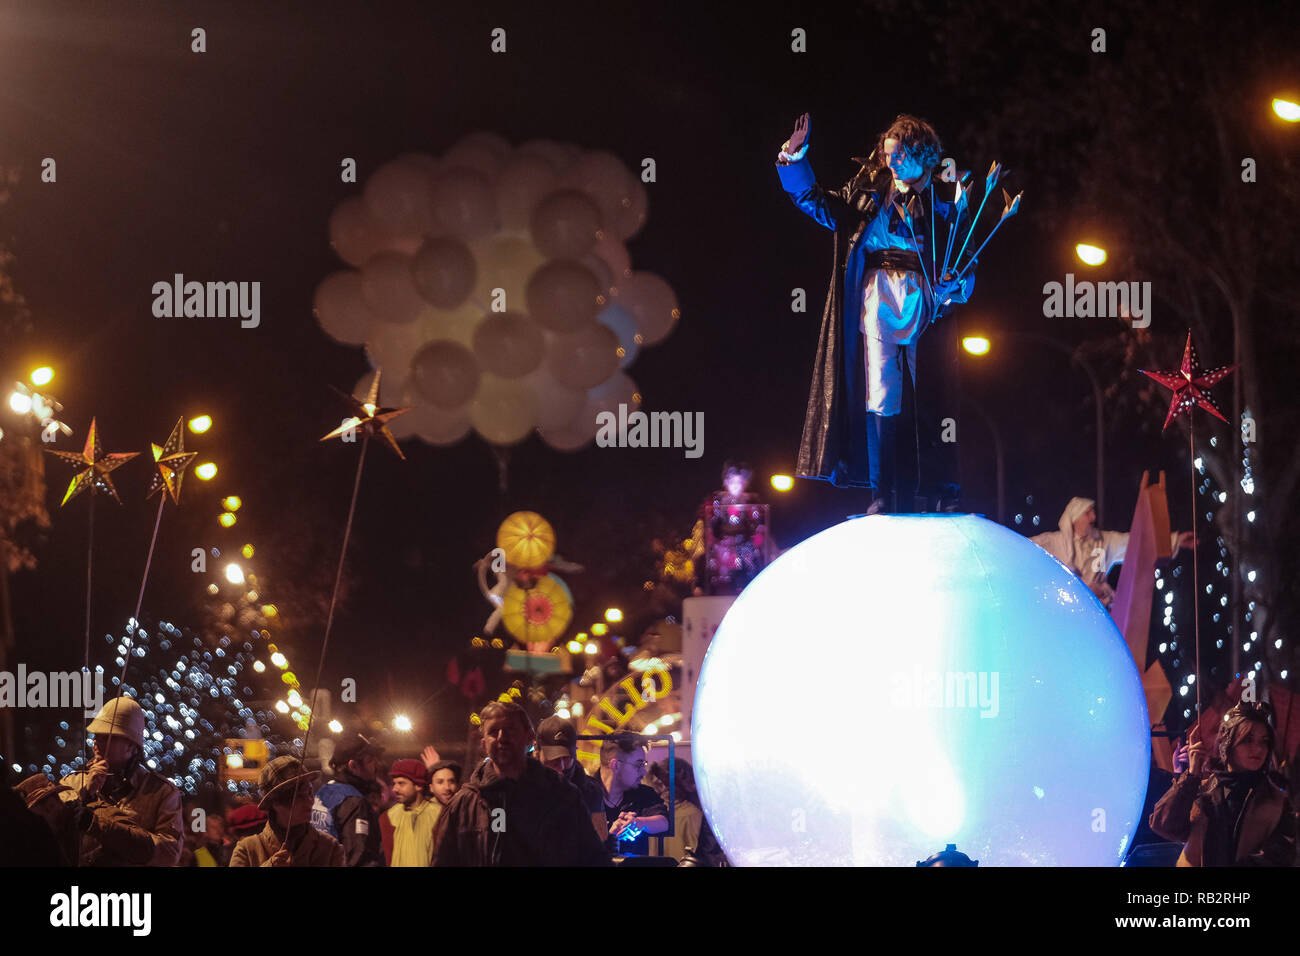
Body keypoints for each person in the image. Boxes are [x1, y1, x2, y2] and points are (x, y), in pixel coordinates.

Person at [777, 112, 976, 513]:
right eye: (887, 155)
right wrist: (793, 160)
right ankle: (881, 492)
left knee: (933, 394)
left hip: (926, 297)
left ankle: (942, 490)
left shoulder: (947, 196)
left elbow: (965, 253)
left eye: (899, 154)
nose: (891, 162)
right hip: (878, 294)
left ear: (922, 153)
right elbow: (821, 205)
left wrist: (958, 282)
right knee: (881, 393)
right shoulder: (870, 189)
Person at [433, 701, 608, 866]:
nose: (502, 737)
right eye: (494, 731)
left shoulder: (562, 796)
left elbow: (593, 859)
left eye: (510, 729)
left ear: (528, 737)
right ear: (484, 744)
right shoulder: (464, 805)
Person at [1149, 701, 1297, 866]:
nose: (1258, 749)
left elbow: (1281, 857)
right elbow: (1164, 825)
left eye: (1264, 741)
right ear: (1228, 743)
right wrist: (1191, 777)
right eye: (1248, 740)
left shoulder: (1276, 801)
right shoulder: (1203, 790)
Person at [57, 696, 183, 866]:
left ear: (132, 746)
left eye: (109, 736)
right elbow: (53, 833)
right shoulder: (72, 782)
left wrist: (99, 825)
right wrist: (85, 794)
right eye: (97, 735)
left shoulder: (162, 793)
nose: (97, 742)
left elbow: (168, 854)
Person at [1030, 497, 1193, 606]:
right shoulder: (1054, 542)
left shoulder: (1103, 541)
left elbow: (1137, 543)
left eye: (1092, 512)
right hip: (1067, 608)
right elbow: (1025, 548)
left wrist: (1175, 540)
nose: (1093, 517)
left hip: (1099, 609)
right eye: (1087, 514)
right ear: (1075, 519)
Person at [231, 755, 344, 867]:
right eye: (299, 796)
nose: (309, 801)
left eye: (310, 792)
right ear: (275, 803)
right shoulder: (247, 850)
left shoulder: (330, 847)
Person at [311, 732, 386, 866]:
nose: (377, 765)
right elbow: (357, 857)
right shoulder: (354, 801)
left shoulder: (323, 791)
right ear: (353, 766)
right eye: (370, 761)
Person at [598, 734, 668, 856]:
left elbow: (664, 822)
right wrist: (609, 836)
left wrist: (640, 823)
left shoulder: (644, 793)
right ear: (616, 765)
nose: (644, 772)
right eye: (638, 765)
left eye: (644, 765)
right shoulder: (583, 794)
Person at [536, 715, 605, 817]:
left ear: (575, 755)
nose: (561, 766)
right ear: (537, 754)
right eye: (554, 759)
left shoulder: (591, 792)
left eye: (567, 758)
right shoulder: (518, 789)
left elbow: (599, 832)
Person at [385, 758, 440, 867]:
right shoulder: (389, 816)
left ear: (418, 785)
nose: (394, 789)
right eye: (394, 783)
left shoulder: (439, 815)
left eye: (401, 783)